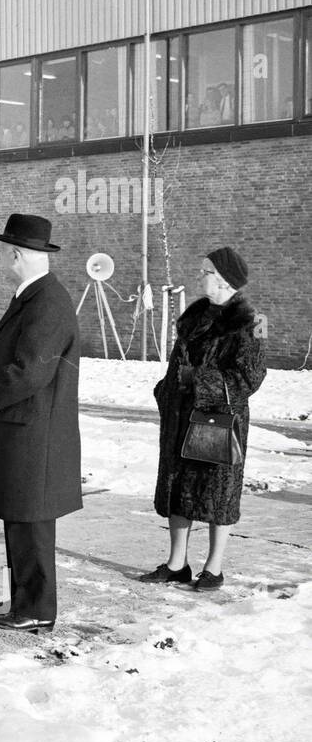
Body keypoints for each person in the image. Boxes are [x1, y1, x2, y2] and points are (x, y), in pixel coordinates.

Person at [0, 213, 82, 632]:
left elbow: (30, 369)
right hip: (28, 428)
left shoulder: (46, 302)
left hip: (35, 433)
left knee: (31, 523)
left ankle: (36, 609)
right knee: (20, 519)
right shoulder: (38, 296)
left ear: (19, 254)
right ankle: (25, 601)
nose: (8, 260)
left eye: (10, 252)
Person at [142, 247, 266, 591]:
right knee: (178, 490)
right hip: (181, 418)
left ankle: (214, 568)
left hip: (220, 422)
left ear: (225, 279)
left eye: (206, 271)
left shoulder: (252, 322)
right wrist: (166, 391)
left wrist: (198, 382)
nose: (201, 276)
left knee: (218, 495)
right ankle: (176, 563)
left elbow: (250, 377)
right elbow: (176, 366)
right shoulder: (195, 317)